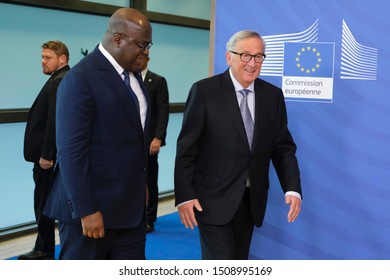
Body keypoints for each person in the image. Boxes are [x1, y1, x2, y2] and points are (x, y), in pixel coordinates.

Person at [174, 30, 302, 260]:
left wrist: (292, 188)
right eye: (245, 55)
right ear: (228, 57)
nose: (252, 63)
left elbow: (282, 148)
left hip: (250, 201)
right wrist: (184, 195)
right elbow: (186, 149)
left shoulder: (272, 96)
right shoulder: (204, 91)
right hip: (211, 200)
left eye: (258, 56)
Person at [44, 8, 153, 260]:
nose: (146, 52)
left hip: (130, 209)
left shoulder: (134, 75)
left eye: (148, 45)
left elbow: (132, 139)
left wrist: (141, 185)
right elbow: (71, 151)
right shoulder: (81, 78)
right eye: (141, 45)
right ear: (118, 40)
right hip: (93, 213)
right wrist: (87, 209)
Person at [20, 40, 70, 260]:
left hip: (47, 159)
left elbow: (54, 122)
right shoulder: (62, 79)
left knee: (43, 202)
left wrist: (46, 155)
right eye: (42, 57)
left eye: (47, 57)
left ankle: (44, 248)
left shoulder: (58, 82)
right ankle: (45, 245)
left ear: (62, 59)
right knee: (47, 202)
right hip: (52, 156)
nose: (43, 61)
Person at [139, 54, 169, 233]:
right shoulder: (127, 79)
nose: (138, 60)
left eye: (142, 58)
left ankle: (150, 218)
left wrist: (158, 137)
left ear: (147, 59)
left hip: (150, 141)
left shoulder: (157, 81)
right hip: (131, 141)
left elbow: (163, 111)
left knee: (150, 179)